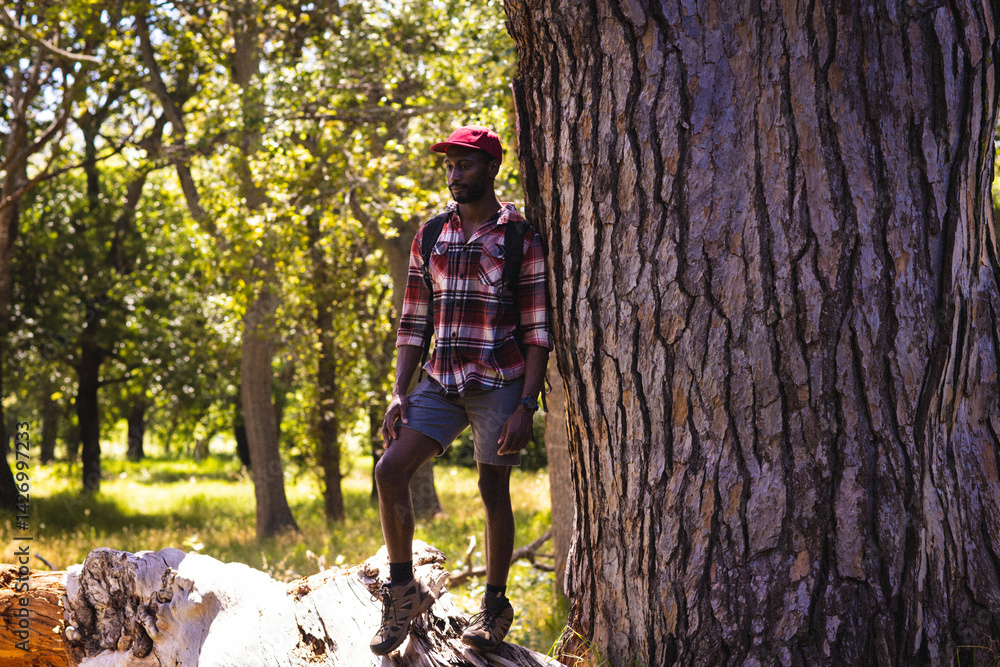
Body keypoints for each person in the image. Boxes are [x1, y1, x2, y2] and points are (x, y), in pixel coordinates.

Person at [369, 125, 551, 656]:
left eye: (465, 165)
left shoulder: (520, 238)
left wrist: (526, 404)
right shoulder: (430, 236)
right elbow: (412, 323)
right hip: (441, 379)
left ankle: (495, 606)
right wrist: (400, 390)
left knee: (493, 490)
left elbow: (539, 331)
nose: (454, 175)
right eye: (449, 166)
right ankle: (402, 595)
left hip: (499, 381)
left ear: (492, 168)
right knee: (389, 470)